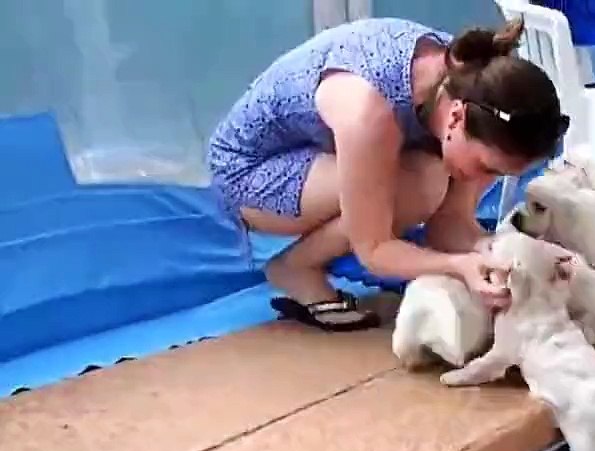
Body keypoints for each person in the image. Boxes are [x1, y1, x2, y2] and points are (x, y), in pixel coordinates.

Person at [207, 17, 569, 331]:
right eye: (487, 168)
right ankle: (296, 268)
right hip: (250, 171)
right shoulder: (369, 113)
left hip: (327, 150)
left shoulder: (476, 91)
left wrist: (501, 254)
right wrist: (458, 267)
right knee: (421, 185)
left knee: (429, 176)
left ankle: (299, 263)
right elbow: (374, 249)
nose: (484, 177)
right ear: (456, 117)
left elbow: (450, 223)